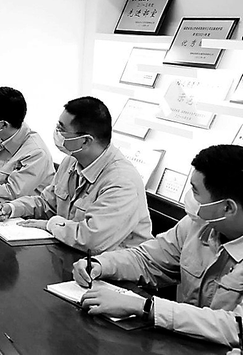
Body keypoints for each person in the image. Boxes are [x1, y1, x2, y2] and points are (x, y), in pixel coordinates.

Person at [73, 145, 243, 347]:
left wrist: (146, 307)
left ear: (228, 207)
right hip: (180, 343)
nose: (190, 197)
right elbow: (147, 259)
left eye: (196, 192)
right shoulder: (196, 225)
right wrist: (101, 264)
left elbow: (235, 326)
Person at [0, 96, 152, 253]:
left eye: (62, 130)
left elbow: (91, 240)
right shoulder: (72, 160)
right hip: (70, 252)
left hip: (111, 266)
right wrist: (12, 208)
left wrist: (50, 225)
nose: (57, 133)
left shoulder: (121, 181)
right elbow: (47, 203)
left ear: (85, 141)